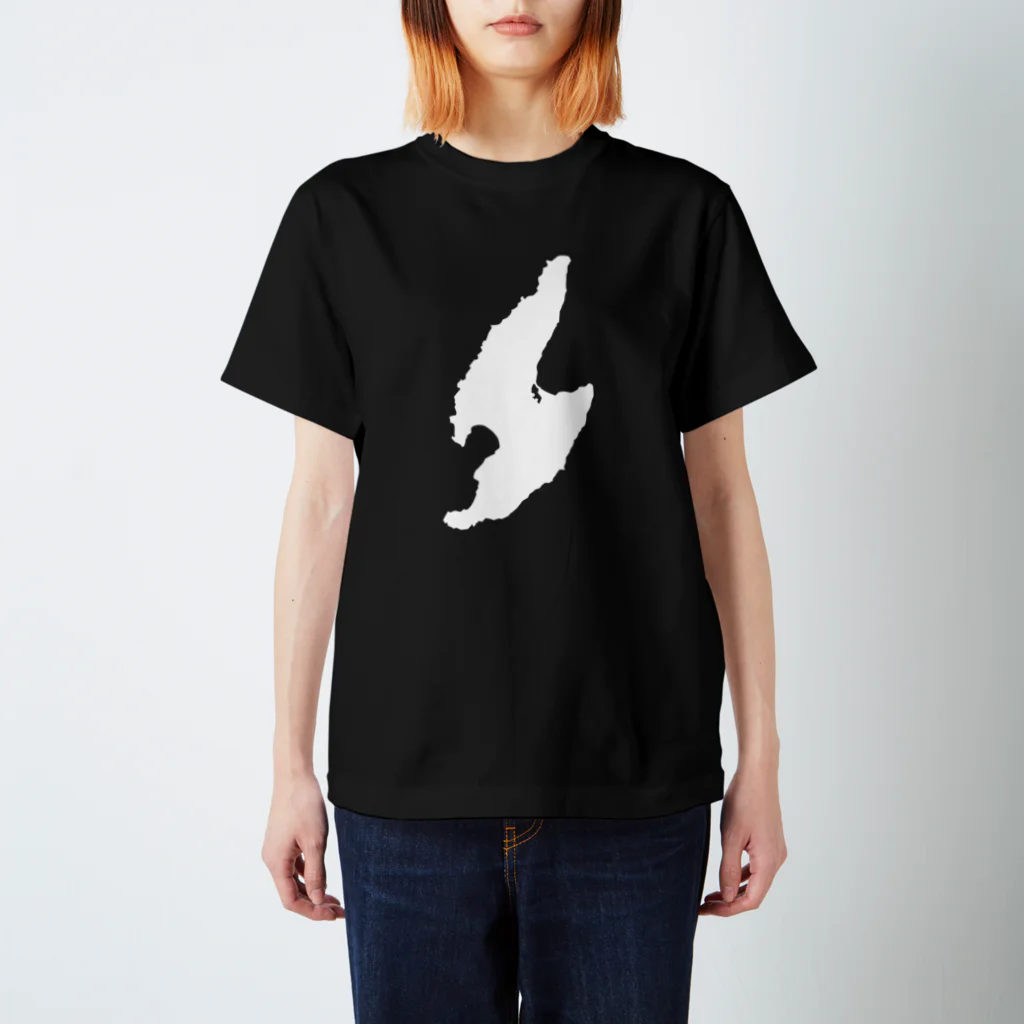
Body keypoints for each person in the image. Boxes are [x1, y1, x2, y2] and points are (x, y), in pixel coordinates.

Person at [219, 1, 817, 1020]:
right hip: (404, 785)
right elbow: (319, 500)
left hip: (632, 777)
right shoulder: (342, 216)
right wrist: (289, 767)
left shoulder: (683, 213)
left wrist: (759, 757)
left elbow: (722, 497)